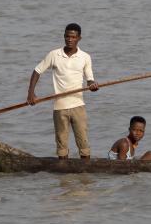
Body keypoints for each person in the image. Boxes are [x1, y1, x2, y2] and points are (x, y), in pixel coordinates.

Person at [27, 23, 100, 160]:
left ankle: (85, 176)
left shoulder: (85, 57)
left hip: (78, 106)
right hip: (60, 107)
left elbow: (90, 79)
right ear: (64, 37)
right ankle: (63, 176)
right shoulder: (54, 55)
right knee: (62, 146)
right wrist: (31, 93)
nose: (70, 39)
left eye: (73, 37)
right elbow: (37, 71)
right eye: (67, 36)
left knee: (83, 144)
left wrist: (92, 85)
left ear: (79, 38)